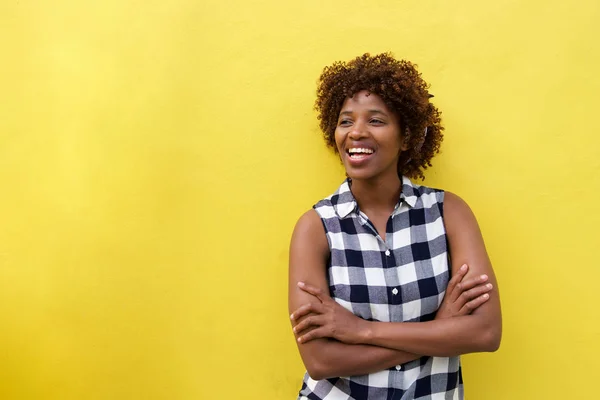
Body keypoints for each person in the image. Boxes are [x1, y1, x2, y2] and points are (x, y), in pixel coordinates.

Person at [288, 53, 502, 400]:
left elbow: (485, 333)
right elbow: (321, 360)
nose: (356, 132)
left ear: (406, 137)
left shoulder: (449, 213)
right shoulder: (316, 228)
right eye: (345, 121)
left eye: (375, 120)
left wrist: (360, 331)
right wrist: (439, 330)